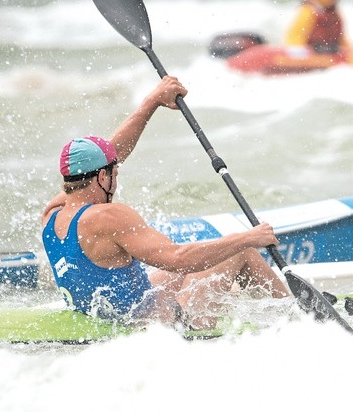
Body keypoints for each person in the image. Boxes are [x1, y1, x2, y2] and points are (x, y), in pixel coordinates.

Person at [41, 76, 289, 329]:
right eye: (114, 173)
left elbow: (113, 154)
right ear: (102, 176)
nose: (117, 177)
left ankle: (277, 305)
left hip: (112, 314)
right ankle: (299, 316)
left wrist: (152, 102)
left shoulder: (52, 214)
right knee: (239, 250)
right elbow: (178, 258)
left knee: (198, 259)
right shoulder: (110, 217)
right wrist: (250, 237)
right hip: (166, 326)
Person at [284, 0, 350, 54]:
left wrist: (349, 52)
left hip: (329, 53)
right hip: (310, 54)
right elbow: (295, 36)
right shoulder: (308, 10)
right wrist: (298, 53)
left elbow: (341, 39)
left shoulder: (335, 13)